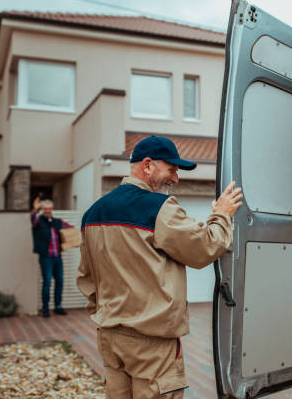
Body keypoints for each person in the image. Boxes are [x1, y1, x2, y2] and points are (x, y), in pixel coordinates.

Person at [77, 135, 243, 398]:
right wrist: (221, 214)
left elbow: (86, 280)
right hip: (150, 345)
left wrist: (109, 317)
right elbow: (205, 248)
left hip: (109, 338)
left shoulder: (93, 214)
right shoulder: (159, 209)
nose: (175, 179)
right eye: (172, 170)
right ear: (147, 165)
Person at [31, 197, 74, 318]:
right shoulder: (39, 221)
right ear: (42, 210)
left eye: (49, 209)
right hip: (46, 258)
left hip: (57, 257)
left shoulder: (56, 221)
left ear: (52, 209)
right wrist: (35, 210)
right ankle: (45, 308)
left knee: (60, 281)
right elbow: (32, 220)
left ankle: (58, 306)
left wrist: (72, 232)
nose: (47, 210)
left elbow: (68, 227)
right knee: (47, 282)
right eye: (45, 209)